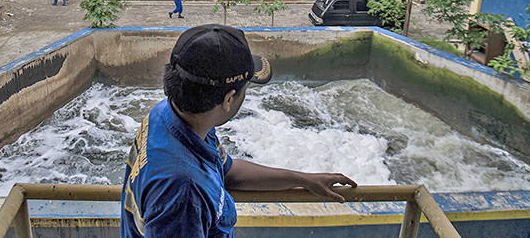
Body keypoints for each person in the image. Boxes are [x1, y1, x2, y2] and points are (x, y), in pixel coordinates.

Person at [120, 24, 357, 238]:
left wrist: (303, 179)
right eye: (245, 89)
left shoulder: (171, 115)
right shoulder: (183, 190)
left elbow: (228, 171)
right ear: (228, 98)